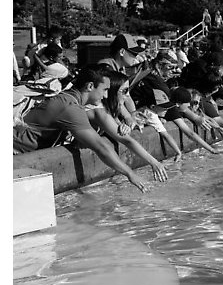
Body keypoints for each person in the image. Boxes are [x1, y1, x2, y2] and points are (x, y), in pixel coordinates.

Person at [13, 66, 149, 193]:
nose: (106, 96)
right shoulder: (71, 108)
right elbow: (101, 147)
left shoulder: (67, 98)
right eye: (105, 90)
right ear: (90, 86)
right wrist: (130, 174)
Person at [86, 69, 168, 182]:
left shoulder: (112, 105)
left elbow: (127, 119)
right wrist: (154, 162)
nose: (128, 95)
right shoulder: (99, 110)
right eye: (124, 91)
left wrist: (124, 125)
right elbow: (126, 140)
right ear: (111, 92)